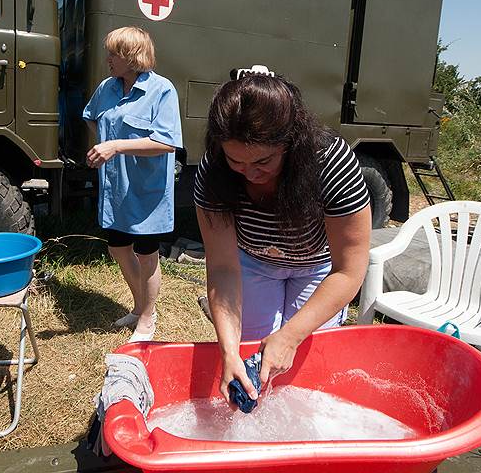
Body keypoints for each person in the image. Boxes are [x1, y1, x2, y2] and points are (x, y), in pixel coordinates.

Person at [194, 69, 371, 402]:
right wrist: (229, 351)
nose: (251, 173)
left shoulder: (330, 162)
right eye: (237, 161)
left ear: (292, 142)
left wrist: (291, 335)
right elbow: (222, 269)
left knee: (303, 358)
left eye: (263, 161)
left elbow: (348, 270)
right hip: (252, 262)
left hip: (319, 270)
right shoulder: (213, 170)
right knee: (252, 354)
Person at [83, 26, 183, 342]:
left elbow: (167, 143)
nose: (108, 59)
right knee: (117, 247)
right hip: (116, 187)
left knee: (146, 253)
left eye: (114, 53)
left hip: (146, 189)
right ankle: (139, 306)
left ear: (131, 57)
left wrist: (116, 146)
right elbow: (91, 116)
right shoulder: (107, 88)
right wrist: (101, 143)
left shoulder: (162, 90)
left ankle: (148, 318)